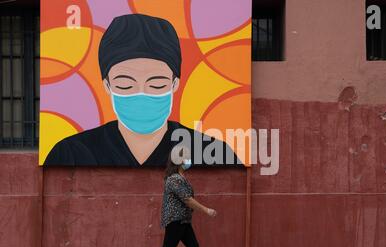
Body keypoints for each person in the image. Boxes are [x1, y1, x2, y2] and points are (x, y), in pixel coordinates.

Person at [44, 14, 240, 167]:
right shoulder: (72, 153)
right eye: (125, 85)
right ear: (107, 86)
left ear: (175, 84)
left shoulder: (212, 152)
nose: (141, 94)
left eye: (156, 84)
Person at [145, 147, 220, 247]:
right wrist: (206, 210)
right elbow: (187, 200)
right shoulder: (174, 179)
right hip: (175, 220)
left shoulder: (180, 177)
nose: (189, 160)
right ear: (179, 161)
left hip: (183, 220)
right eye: (186, 157)